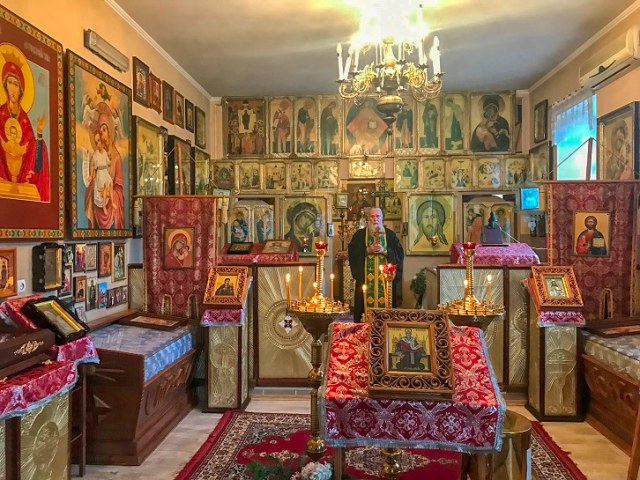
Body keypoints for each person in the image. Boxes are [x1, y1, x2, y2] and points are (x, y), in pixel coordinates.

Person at [0, 46, 50, 202]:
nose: (13, 89)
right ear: (5, 85)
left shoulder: (24, 119)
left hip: (22, 172)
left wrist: (39, 132)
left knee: (42, 146)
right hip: (3, 168)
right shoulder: (1, 113)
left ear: (21, 89)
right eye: (10, 83)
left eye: (16, 84)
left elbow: (32, 150)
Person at [348, 207, 404, 323]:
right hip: (365, 282)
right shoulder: (360, 235)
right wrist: (367, 250)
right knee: (363, 311)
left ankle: (386, 326)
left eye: (378, 216)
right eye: (372, 216)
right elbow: (353, 252)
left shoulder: (390, 235)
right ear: (368, 219)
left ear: (382, 218)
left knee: (387, 312)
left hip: (386, 283)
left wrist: (385, 251)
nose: (375, 219)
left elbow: (399, 253)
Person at [84, 102, 125, 230]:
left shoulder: (116, 157)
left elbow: (120, 190)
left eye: (104, 130)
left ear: (110, 131)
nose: (101, 134)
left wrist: (109, 194)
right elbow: (93, 173)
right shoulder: (96, 155)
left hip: (109, 199)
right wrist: (93, 186)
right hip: (98, 199)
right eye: (100, 131)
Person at [90, 131, 113, 213]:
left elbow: (108, 162)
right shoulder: (95, 154)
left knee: (111, 183)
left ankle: (112, 202)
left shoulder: (105, 152)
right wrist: (91, 175)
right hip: (100, 173)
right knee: (105, 186)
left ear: (102, 142)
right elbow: (92, 165)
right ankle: (103, 205)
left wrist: (110, 161)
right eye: (96, 142)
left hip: (105, 172)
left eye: (99, 141)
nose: (98, 144)